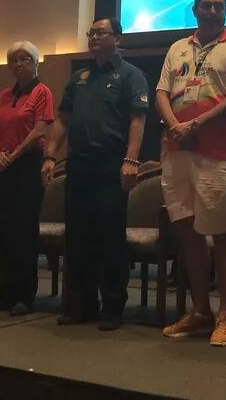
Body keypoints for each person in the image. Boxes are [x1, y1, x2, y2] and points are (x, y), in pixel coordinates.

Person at [156, 0, 226, 347]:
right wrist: (174, 125)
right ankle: (200, 311)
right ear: (195, 10)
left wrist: (194, 124)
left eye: (218, 6)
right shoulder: (177, 48)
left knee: (222, 233)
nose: (212, 11)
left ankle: (225, 314)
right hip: (177, 152)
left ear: (225, 11)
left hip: (219, 153)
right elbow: (161, 93)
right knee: (188, 233)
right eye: (206, 5)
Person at [42, 17, 148, 330]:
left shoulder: (130, 75)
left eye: (101, 33)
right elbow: (62, 120)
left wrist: (131, 160)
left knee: (109, 238)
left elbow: (137, 121)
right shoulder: (79, 77)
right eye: (91, 33)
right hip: (78, 166)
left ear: (118, 38)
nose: (94, 37)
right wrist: (49, 156)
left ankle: (112, 307)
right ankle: (80, 306)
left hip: (111, 165)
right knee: (77, 237)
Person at [0, 41, 53, 316]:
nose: (19, 64)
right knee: (6, 230)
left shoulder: (42, 91)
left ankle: (25, 296)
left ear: (35, 63)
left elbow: (39, 130)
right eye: (14, 60)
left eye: (25, 59)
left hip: (27, 164)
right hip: (5, 165)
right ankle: (6, 293)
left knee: (24, 231)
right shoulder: (4, 94)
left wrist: (13, 155)